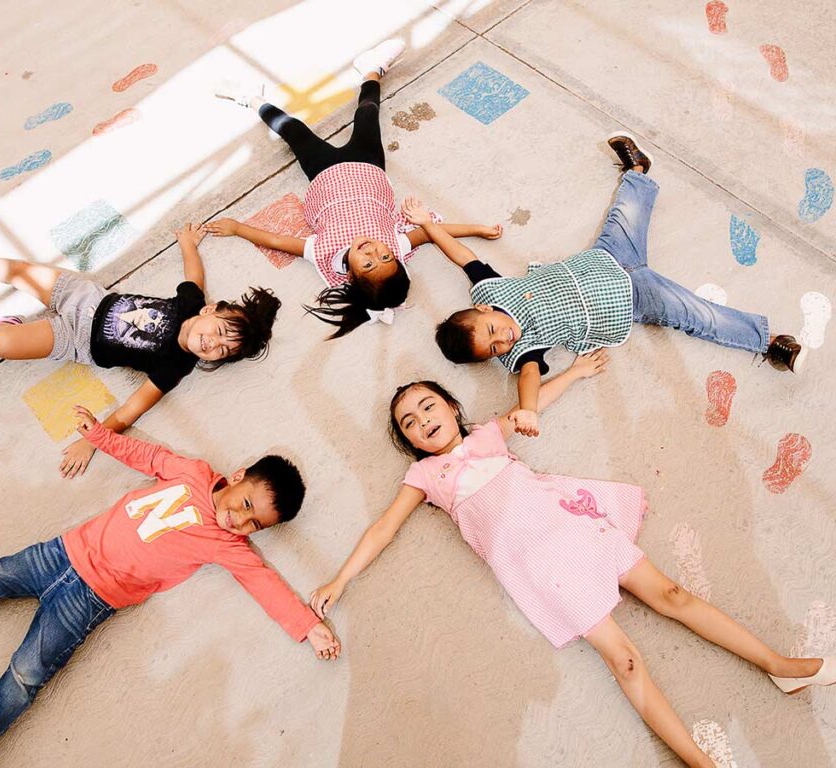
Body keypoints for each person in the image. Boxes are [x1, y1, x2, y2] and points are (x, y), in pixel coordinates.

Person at [310, 379, 832, 768]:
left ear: (452, 408)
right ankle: (699, 762)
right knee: (625, 660)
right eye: (409, 421)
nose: (422, 418)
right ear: (412, 443)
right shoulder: (425, 476)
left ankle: (778, 664)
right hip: (538, 569)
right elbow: (383, 528)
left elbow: (530, 405)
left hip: (572, 527)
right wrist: (339, 580)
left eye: (428, 405)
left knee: (671, 594)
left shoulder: (489, 435)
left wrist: (577, 370)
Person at [0, 407, 340, 766]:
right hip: (60, 550)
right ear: (238, 476)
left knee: (27, 673)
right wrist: (101, 436)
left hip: (90, 599)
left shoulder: (229, 547)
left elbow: (264, 583)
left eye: (255, 526)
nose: (239, 522)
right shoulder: (193, 471)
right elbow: (148, 456)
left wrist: (307, 626)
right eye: (246, 505)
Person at [424, 133, 805, 438]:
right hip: (634, 298)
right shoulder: (521, 352)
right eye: (494, 349)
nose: (503, 339)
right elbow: (528, 378)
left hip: (606, 257)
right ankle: (770, 343)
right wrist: (527, 410)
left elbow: (462, 257)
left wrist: (428, 225)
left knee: (624, 215)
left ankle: (637, 170)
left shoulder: (490, 290)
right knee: (696, 314)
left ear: (485, 310)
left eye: (493, 331)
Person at [210, 39, 502, 337]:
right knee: (367, 113)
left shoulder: (322, 252)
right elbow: (431, 233)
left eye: (368, 264)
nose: (374, 253)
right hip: (368, 167)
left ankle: (251, 99)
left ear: (349, 274)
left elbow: (277, 240)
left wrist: (237, 228)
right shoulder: (396, 243)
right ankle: (372, 69)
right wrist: (476, 228)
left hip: (324, 173)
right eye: (385, 257)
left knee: (291, 129)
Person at [0, 221, 279, 476]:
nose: (212, 344)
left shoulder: (175, 366)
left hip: (76, 340)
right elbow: (194, 275)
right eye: (219, 333)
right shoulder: (191, 303)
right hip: (85, 297)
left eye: (221, 351)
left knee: (1, 345)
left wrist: (93, 441)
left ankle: (3, 326)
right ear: (210, 310)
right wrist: (189, 243)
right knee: (20, 272)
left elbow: (132, 410)